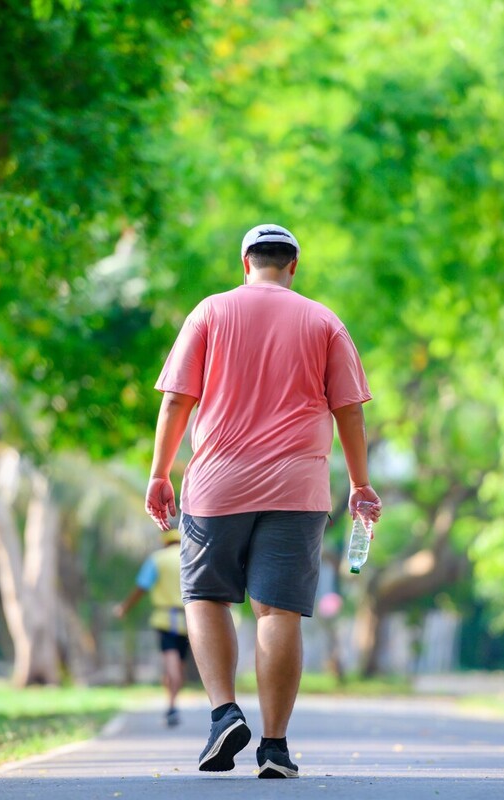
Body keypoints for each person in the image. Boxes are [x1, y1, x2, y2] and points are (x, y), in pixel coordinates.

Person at [144, 223, 382, 779]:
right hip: (298, 490)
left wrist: (159, 473)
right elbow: (350, 411)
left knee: (204, 596)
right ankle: (274, 748)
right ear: (293, 265)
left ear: (244, 261)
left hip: (216, 484)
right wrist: (360, 484)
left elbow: (178, 400)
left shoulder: (209, 312)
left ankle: (224, 711)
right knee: (278, 612)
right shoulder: (324, 321)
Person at [113, 529, 190, 727]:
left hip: (165, 619)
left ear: (165, 541)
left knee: (170, 661)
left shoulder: (157, 559)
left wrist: (125, 607)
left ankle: (172, 705)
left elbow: (141, 587)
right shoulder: (190, 557)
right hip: (189, 619)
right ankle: (173, 701)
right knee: (179, 663)